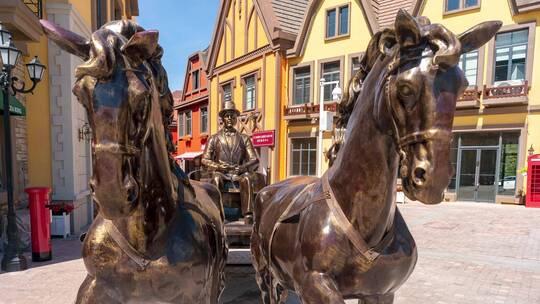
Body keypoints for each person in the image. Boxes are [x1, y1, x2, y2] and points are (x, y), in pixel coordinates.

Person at [202, 101, 260, 223]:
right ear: (222, 118)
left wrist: (243, 167)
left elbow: (254, 159)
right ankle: (217, 213)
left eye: (232, 116)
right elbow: (205, 159)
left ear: (236, 119)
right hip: (222, 173)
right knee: (216, 179)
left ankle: (248, 215)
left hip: (238, 173)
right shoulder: (214, 138)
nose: (230, 118)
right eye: (227, 115)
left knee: (247, 179)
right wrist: (219, 166)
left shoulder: (244, 138)